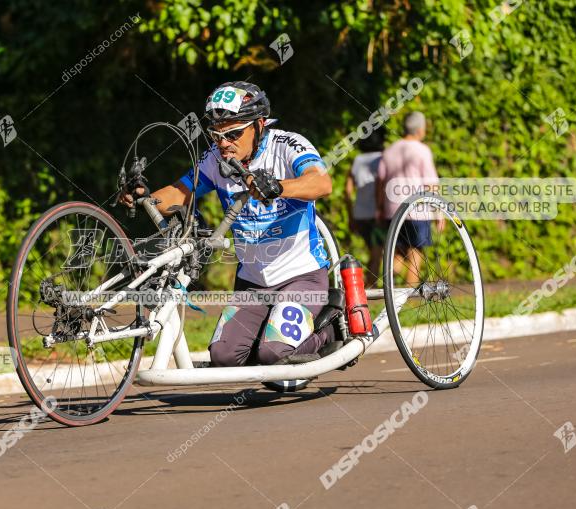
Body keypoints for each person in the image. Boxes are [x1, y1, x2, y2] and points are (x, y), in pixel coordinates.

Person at [119, 81, 336, 366]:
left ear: (259, 125)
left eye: (233, 134)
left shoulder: (286, 145)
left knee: (274, 354)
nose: (224, 144)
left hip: (301, 277)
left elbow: (321, 182)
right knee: (224, 355)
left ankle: (331, 327)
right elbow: (180, 192)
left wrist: (278, 187)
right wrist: (144, 198)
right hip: (253, 285)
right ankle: (267, 333)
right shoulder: (216, 159)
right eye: (216, 135)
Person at [375, 111, 439, 286]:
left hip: (392, 210)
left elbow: (381, 182)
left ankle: (386, 291)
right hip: (416, 211)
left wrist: (379, 208)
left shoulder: (389, 150)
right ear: (420, 129)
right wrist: (438, 211)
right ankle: (407, 299)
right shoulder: (422, 150)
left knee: (398, 253)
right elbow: (431, 183)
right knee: (415, 255)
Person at [345, 131, 385, 286]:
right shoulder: (382, 159)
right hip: (376, 214)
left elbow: (347, 191)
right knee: (377, 254)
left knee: (373, 251)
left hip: (359, 214)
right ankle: (367, 289)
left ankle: (365, 285)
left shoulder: (357, 160)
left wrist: (350, 215)